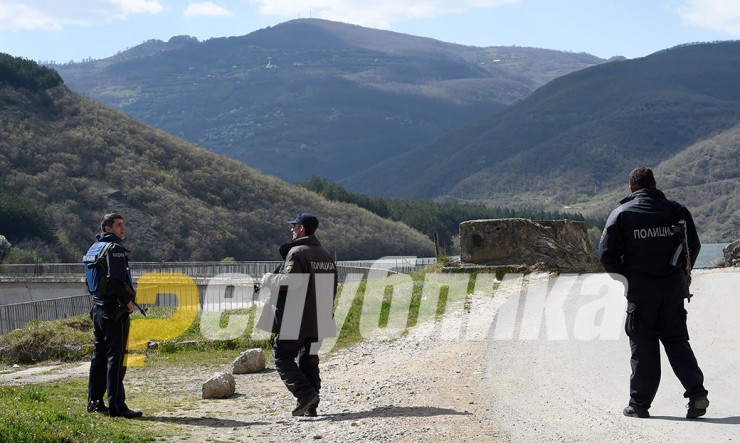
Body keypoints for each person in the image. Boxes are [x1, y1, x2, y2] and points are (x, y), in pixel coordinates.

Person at [599, 167, 708, 419]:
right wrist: (679, 273)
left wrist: (626, 277)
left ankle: (639, 405)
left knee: (644, 346)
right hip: (672, 290)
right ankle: (697, 394)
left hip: (641, 294)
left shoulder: (622, 214)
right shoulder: (676, 210)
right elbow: (694, 246)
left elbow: (606, 254)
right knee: (677, 341)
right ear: (655, 184)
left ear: (631, 189)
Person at [256, 212, 338, 417]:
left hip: (295, 316)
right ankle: (312, 405)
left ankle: (305, 395)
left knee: (282, 356)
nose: (291, 229)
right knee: (309, 358)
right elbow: (333, 288)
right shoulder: (326, 255)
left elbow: (291, 281)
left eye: (294, 226)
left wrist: (268, 279)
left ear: (301, 228)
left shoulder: (298, 253)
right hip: (319, 317)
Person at [84, 213, 143, 419]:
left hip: (98, 309)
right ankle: (117, 406)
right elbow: (117, 280)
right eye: (118, 225)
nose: (123, 228)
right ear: (107, 228)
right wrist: (128, 303)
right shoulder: (115, 248)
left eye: (123, 225)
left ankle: (94, 401)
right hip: (114, 312)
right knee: (115, 360)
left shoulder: (94, 248)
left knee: (98, 357)